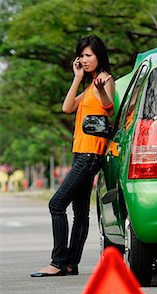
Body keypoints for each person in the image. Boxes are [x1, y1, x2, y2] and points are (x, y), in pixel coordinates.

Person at [31, 35, 114, 277]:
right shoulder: (89, 85)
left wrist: (102, 91)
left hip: (90, 153)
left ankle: (57, 262)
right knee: (80, 211)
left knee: (56, 204)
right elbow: (67, 107)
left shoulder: (105, 80)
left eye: (89, 55)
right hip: (81, 153)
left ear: (99, 55)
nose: (84, 59)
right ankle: (70, 263)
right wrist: (77, 78)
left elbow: (109, 108)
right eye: (82, 56)